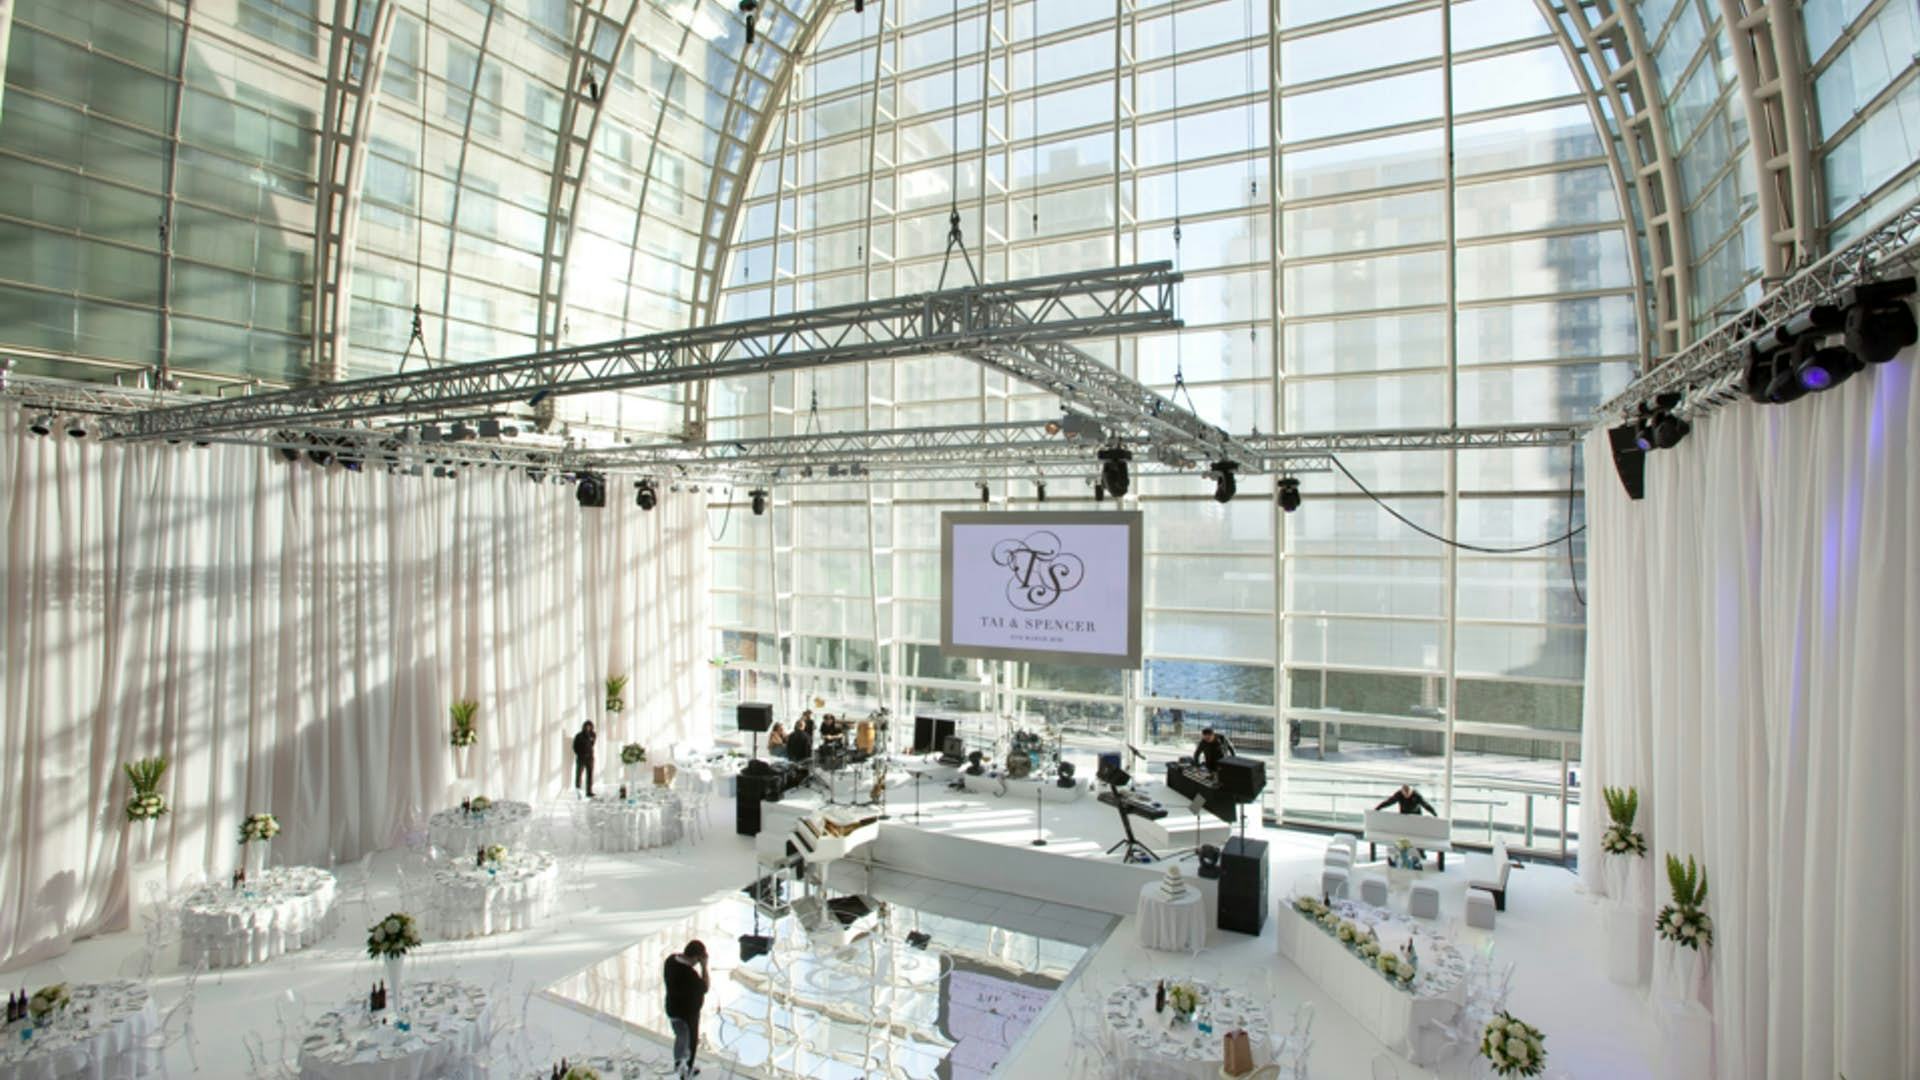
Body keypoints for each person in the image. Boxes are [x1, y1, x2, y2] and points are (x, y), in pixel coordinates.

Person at [664, 939, 709, 1077]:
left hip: (672, 1009)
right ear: (697, 957)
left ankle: (679, 1065)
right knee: (689, 1044)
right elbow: (705, 987)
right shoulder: (690, 975)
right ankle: (686, 1071)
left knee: (680, 1038)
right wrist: (704, 967)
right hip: (687, 1015)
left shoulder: (671, 960)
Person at [572, 720, 597, 798]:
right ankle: (578, 792)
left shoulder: (593, 734)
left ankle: (589, 791)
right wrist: (580, 754)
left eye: (589, 726)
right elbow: (575, 747)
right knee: (579, 774)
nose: (588, 728)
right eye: (586, 726)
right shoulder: (579, 735)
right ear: (584, 727)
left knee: (590, 775)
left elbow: (592, 744)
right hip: (581, 758)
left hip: (590, 757)